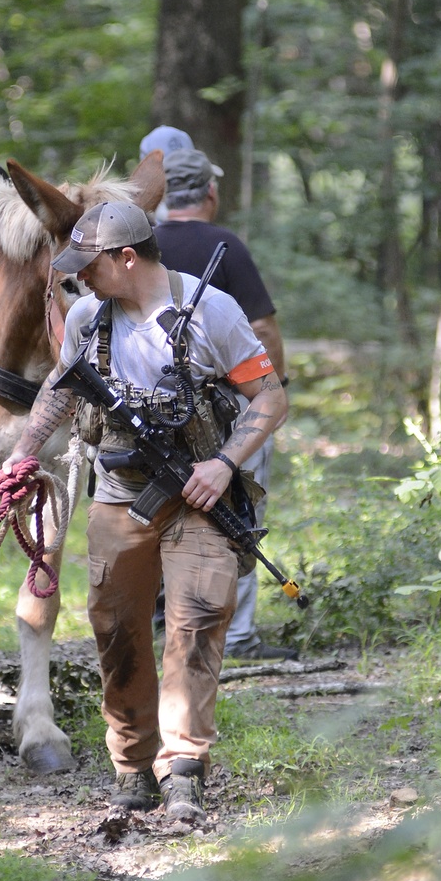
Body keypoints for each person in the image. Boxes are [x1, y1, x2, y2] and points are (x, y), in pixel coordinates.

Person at [0, 200, 287, 818]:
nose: (80, 277)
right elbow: (62, 388)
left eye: (89, 265)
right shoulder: (86, 317)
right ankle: (132, 763)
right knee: (117, 629)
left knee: (198, 620)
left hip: (200, 497)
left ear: (126, 258)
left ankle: (183, 768)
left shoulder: (212, 312)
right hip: (121, 495)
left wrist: (225, 463)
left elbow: (269, 397)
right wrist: (22, 453)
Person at [152, 146, 295, 661]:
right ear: (210, 192)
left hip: (153, 411)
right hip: (228, 408)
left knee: (160, 509)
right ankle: (235, 636)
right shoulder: (226, 246)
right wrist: (274, 391)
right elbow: (260, 327)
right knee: (240, 509)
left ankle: (160, 623)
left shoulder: (140, 248)